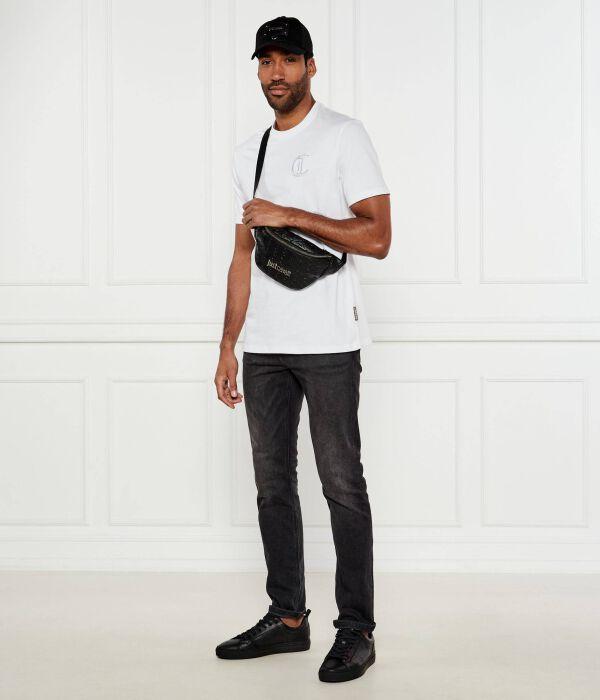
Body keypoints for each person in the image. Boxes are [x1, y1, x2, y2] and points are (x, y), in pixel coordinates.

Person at [214, 15, 391, 683]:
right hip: (264, 345)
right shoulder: (249, 153)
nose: (276, 72)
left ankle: (357, 630)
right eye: (266, 61)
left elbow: (378, 237)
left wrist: (288, 213)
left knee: (341, 483)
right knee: (272, 486)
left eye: (288, 59)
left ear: (311, 66)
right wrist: (228, 344)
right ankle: (288, 619)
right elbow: (242, 255)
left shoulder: (345, 135)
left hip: (329, 339)